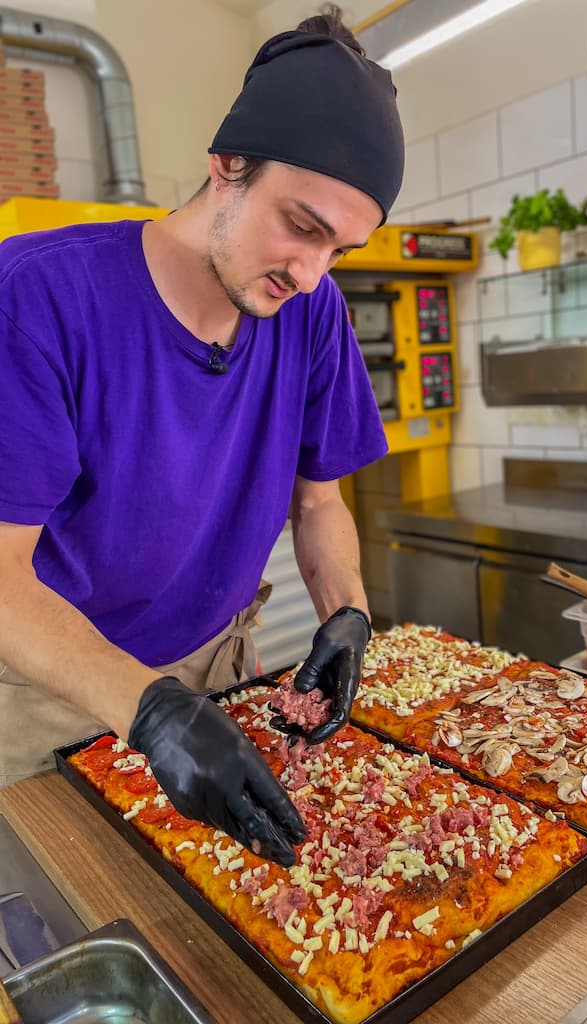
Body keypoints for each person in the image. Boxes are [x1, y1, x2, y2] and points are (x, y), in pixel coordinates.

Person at [0, 5, 404, 867]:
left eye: (341, 251)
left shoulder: (312, 314)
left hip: (218, 669)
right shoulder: (36, 299)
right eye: (302, 226)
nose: (310, 274)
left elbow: (321, 500)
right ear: (227, 165)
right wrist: (143, 706)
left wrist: (349, 614)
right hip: (48, 690)